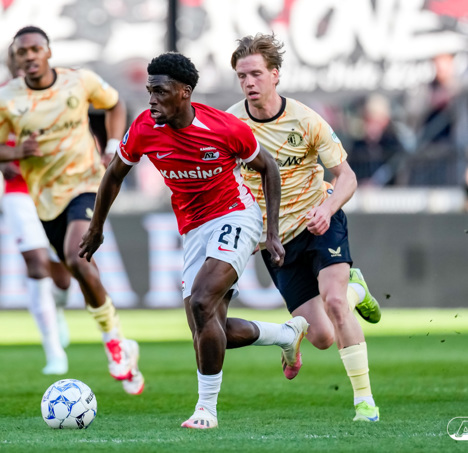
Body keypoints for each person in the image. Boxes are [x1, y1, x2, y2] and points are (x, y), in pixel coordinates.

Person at [79, 51, 308, 429]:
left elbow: (268, 167)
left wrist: (271, 232)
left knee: (202, 301)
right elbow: (114, 174)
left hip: (236, 214)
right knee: (207, 328)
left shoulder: (224, 127)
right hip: (193, 228)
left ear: (184, 92)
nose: (152, 100)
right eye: (149, 91)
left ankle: (206, 410)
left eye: (160, 92)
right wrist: (96, 227)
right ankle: (285, 334)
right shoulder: (143, 128)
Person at [227, 33, 382, 422]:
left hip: (318, 223)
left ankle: (365, 402)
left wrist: (327, 209)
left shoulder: (306, 120)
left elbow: (346, 176)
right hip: (275, 241)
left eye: (256, 74)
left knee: (334, 303)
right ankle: (356, 291)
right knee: (323, 337)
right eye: (242, 76)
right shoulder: (231, 124)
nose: (249, 82)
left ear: (275, 74)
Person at [0, 26, 144, 395]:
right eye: (22, 52)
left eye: (35, 49)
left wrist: (113, 145)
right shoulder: (6, 99)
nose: (29, 56)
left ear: (49, 52)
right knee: (74, 269)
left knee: (76, 255)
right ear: (16, 58)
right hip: (44, 198)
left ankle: (113, 343)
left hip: (86, 183)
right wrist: (17, 152)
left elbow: (115, 104)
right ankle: (120, 340)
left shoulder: (79, 81)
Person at [0, 43, 71, 375]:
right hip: (18, 193)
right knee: (37, 264)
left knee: (64, 274)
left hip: (57, 191)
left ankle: (57, 308)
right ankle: (54, 353)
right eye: (18, 63)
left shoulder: (60, 94)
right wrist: (1, 164)